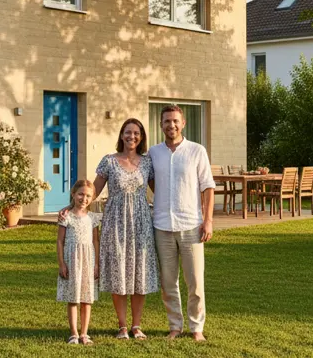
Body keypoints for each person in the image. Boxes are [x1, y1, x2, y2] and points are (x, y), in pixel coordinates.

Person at [61, 118, 160, 340]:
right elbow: (91, 191)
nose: (131, 136)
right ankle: (122, 326)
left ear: (141, 137)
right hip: (115, 223)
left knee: (139, 273)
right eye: (127, 132)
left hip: (141, 223)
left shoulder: (147, 163)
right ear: (121, 135)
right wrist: (71, 206)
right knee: (119, 271)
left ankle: (136, 325)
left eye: (136, 133)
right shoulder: (109, 161)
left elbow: (160, 191)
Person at [148, 105, 216, 342]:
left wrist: (208, 221)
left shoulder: (197, 151)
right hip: (162, 227)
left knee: (195, 282)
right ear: (161, 125)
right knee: (168, 283)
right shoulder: (153, 153)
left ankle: (196, 327)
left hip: (191, 226)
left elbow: (207, 187)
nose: (171, 125)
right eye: (166, 121)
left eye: (175, 121)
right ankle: (175, 325)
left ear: (183, 123)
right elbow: (153, 183)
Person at [56, 179, 101, 345]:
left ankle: (84, 333)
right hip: (72, 260)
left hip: (88, 261)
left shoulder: (93, 218)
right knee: (73, 297)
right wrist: (62, 263)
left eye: (88, 195)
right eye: (81, 194)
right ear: (73, 194)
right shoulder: (66, 217)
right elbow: (60, 241)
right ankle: (74, 333)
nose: (84, 198)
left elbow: (96, 241)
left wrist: (97, 264)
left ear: (93, 198)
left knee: (86, 298)